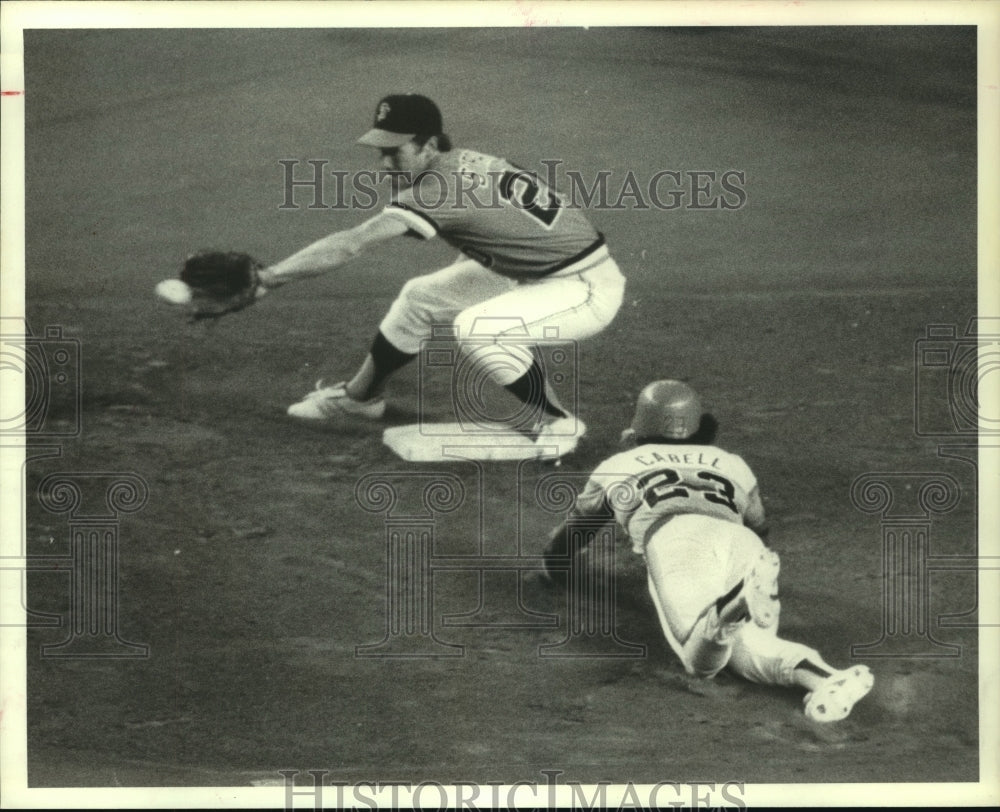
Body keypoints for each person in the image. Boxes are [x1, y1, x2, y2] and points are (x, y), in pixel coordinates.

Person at [256, 93, 626, 451]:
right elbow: (500, 227)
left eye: (394, 151)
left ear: (429, 145)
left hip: (584, 288)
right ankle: (361, 398)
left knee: (479, 328)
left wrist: (267, 278)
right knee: (421, 298)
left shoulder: (438, 188)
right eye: (381, 151)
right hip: (543, 272)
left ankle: (558, 420)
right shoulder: (466, 160)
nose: (385, 164)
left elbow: (354, 242)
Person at [542, 380, 875, 723]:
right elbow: (759, 530)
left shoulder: (616, 465)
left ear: (636, 430)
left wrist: (553, 567)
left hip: (676, 539)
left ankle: (736, 603)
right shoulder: (733, 463)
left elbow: (571, 539)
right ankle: (826, 678)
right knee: (748, 652)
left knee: (699, 661)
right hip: (744, 543)